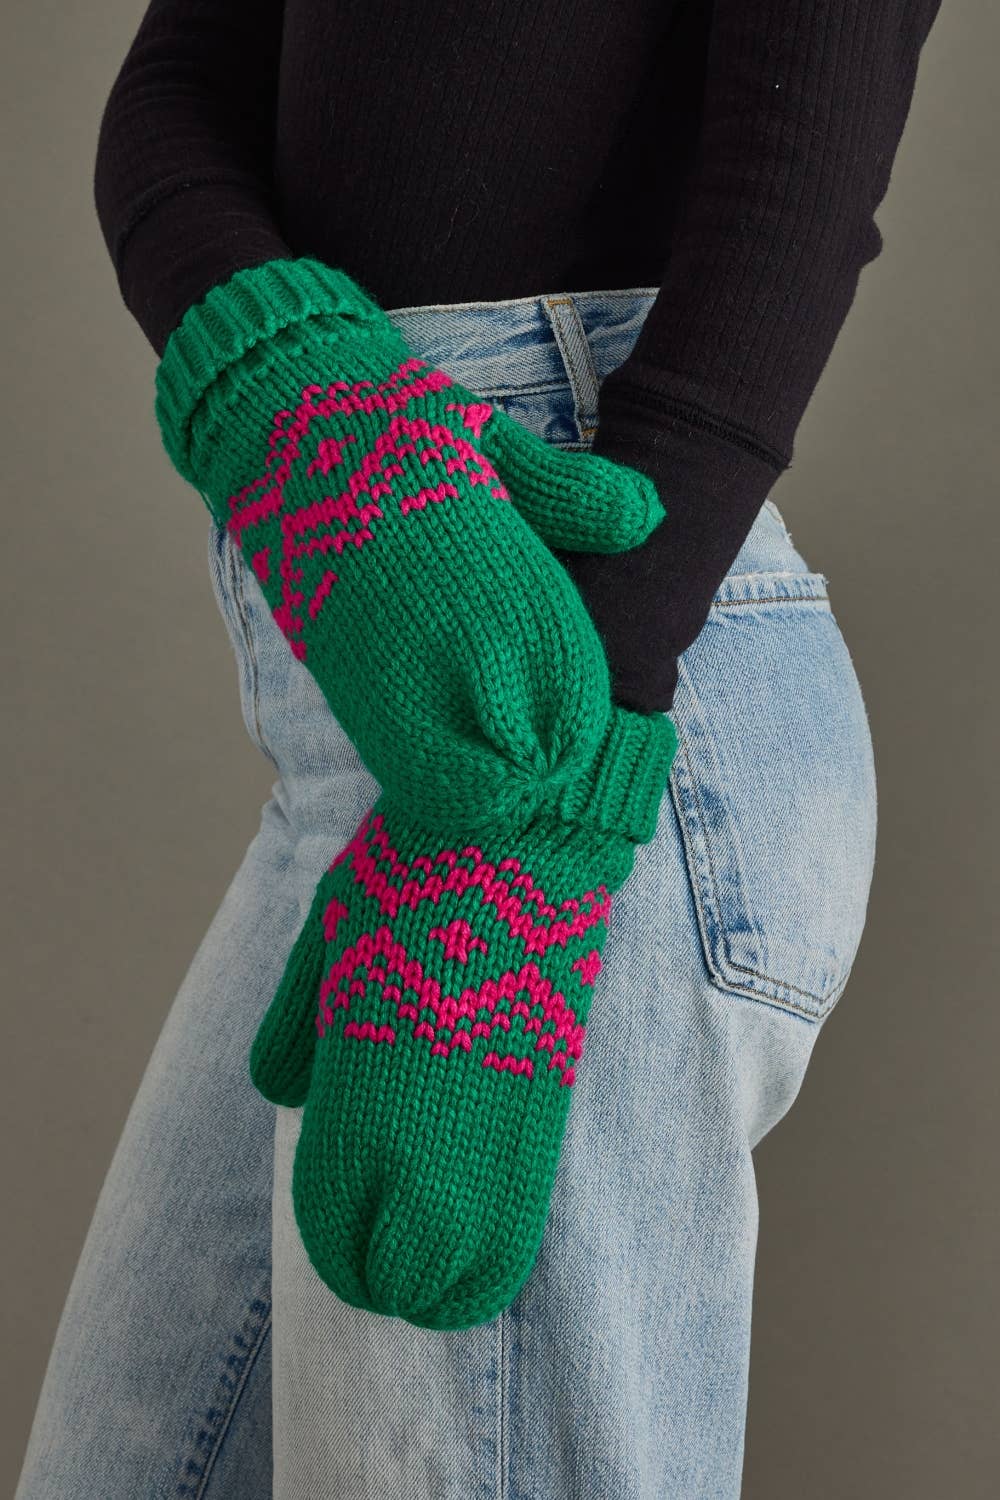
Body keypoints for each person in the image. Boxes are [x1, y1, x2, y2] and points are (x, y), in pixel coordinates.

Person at [14, 1, 941, 1495]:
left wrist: (546, 775)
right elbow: (175, 91)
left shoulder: (559, 737)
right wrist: (297, 392)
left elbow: (801, 170)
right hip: (367, 690)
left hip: (597, 689)